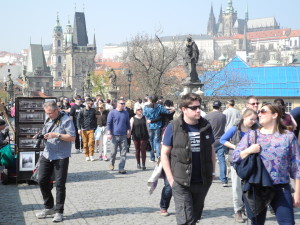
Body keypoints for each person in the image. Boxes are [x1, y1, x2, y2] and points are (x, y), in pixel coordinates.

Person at [233, 103, 300, 225]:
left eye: (263, 111)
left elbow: (297, 167)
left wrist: (297, 193)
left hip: (281, 187)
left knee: (288, 222)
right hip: (256, 187)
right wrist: (249, 150)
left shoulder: (288, 137)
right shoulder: (252, 135)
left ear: (275, 115)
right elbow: (235, 157)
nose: (259, 114)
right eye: (259, 112)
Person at [161, 93, 216, 224]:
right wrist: (170, 179)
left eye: (199, 106)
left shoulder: (206, 126)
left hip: (202, 181)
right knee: (186, 219)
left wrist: (212, 172)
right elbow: (164, 153)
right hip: (181, 181)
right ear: (184, 109)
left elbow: (212, 151)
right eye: (194, 108)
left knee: (195, 217)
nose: (198, 110)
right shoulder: (173, 126)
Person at [35, 101, 75, 223]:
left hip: (61, 156)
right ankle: (49, 207)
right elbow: (46, 132)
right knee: (41, 180)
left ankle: (59, 211)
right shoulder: (47, 119)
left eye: (50, 113)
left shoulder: (66, 120)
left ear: (57, 110)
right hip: (47, 154)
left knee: (60, 184)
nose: (49, 115)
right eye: (47, 113)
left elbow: (72, 137)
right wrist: (42, 136)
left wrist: (56, 135)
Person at [220, 109, 258, 223]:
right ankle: (238, 210)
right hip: (237, 162)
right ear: (244, 117)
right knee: (237, 188)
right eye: (251, 119)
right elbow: (222, 139)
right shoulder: (235, 128)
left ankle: (249, 208)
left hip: (252, 161)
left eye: (255, 119)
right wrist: (235, 146)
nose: (253, 121)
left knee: (250, 187)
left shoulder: (256, 129)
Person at [144, 95, 173, 162]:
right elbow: (167, 112)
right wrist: (173, 109)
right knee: (157, 141)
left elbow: (145, 114)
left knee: (151, 141)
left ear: (150, 99)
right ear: (157, 100)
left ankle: (151, 157)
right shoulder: (159, 107)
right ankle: (158, 156)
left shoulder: (146, 107)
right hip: (157, 125)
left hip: (150, 125)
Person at [205, 100, 228, 186]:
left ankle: (209, 176)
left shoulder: (207, 116)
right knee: (222, 160)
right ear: (220, 106)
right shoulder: (223, 116)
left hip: (210, 140)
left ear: (212, 106)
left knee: (208, 160)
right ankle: (224, 179)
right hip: (221, 140)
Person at [107, 98, 131, 174]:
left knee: (123, 153)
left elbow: (128, 123)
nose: (123, 105)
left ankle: (121, 168)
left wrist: (129, 131)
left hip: (123, 135)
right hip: (114, 135)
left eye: (124, 104)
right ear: (117, 104)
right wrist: (109, 133)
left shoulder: (126, 113)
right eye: (121, 103)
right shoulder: (112, 112)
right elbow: (109, 123)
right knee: (113, 152)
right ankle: (112, 163)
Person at [130, 105, 149, 170]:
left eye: (141, 109)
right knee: (137, 150)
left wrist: (149, 134)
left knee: (143, 149)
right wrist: (129, 135)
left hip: (144, 135)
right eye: (138, 109)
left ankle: (143, 164)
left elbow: (147, 127)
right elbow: (131, 128)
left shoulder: (144, 117)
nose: (140, 110)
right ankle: (138, 163)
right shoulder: (132, 118)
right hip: (136, 136)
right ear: (135, 111)